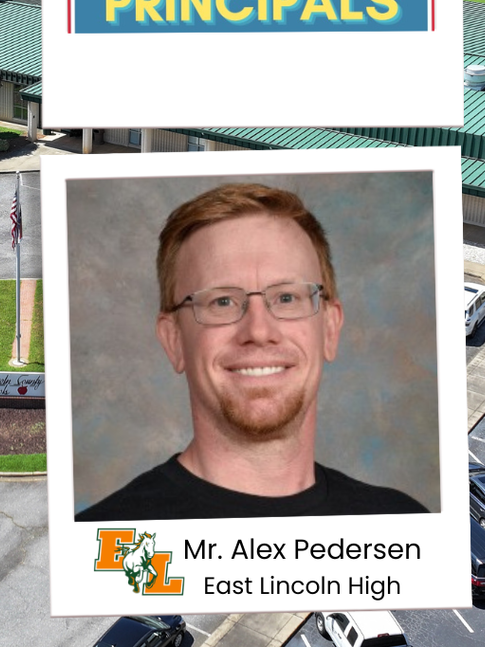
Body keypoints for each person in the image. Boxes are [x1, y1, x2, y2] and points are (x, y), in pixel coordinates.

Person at [76, 183, 427, 520]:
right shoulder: (105, 546)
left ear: (330, 329)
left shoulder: (407, 524)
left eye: (287, 297)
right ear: (174, 340)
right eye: (222, 301)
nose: (258, 331)